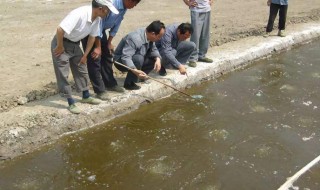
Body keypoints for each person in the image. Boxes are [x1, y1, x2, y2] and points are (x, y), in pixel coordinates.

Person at [51, 0, 119, 114]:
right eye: (108, 10)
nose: (108, 14)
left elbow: (92, 38)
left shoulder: (97, 19)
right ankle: (70, 102)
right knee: (63, 73)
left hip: (74, 44)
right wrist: (59, 46)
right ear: (101, 8)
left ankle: (86, 96)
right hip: (61, 43)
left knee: (82, 68)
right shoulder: (79, 14)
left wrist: (85, 55)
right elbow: (60, 29)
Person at [81, 0, 141, 100]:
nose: (134, 6)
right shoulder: (111, 5)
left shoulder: (124, 8)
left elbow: (116, 25)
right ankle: (99, 90)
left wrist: (109, 43)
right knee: (95, 59)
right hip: (90, 30)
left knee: (107, 57)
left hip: (101, 31)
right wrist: (98, 47)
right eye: (134, 3)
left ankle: (110, 84)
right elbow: (98, 25)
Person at [113, 20, 165, 90]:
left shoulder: (149, 36)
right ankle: (129, 83)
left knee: (154, 59)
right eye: (159, 36)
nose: (160, 39)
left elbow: (154, 49)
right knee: (138, 58)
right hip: (121, 62)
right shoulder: (135, 38)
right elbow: (126, 57)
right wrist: (134, 70)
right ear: (153, 33)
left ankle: (140, 77)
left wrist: (158, 59)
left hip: (138, 57)